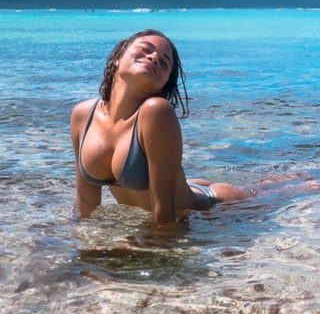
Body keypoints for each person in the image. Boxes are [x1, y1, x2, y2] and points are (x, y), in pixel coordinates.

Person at [71, 29, 251, 226]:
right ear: (117, 58)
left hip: (213, 206)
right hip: (181, 190)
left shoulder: (156, 111)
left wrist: (160, 243)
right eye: (145, 49)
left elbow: (165, 212)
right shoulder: (83, 114)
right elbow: (86, 201)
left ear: (163, 85)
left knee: (271, 190)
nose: (154, 57)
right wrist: (73, 236)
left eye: (164, 62)